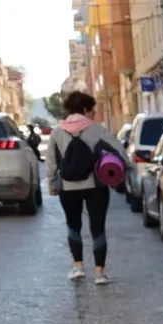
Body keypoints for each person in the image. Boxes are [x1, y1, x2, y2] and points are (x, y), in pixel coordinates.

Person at [46, 91, 128, 285]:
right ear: (85, 109)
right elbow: (119, 151)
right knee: (97, 226)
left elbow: (51, 161)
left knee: (73, 225)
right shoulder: (96, 129)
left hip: (67, 186)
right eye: (92, 111)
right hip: (95, 185)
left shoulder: (57, 131)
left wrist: (51, 183)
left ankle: (78, 267)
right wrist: (124, 169)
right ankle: (100, 273)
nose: (93, 115)